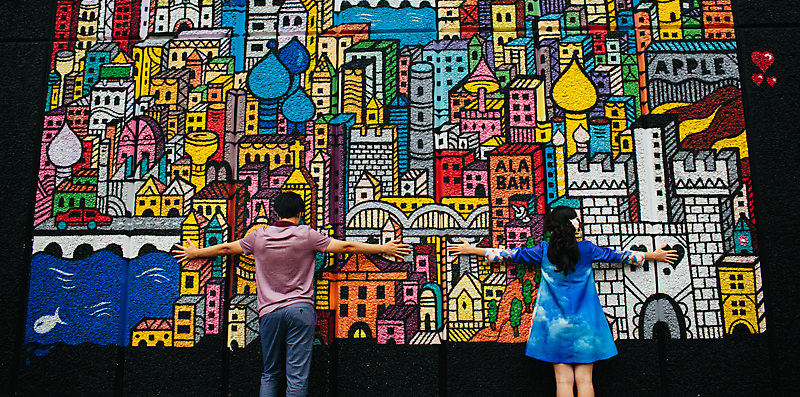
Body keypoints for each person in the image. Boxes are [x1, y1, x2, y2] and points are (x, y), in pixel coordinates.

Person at [172, 191, 409, 397]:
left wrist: (196, 252)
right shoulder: (307, 235)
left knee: (270, 373)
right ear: (300, 213)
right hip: (300, 310)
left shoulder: (259, 236)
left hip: (269, 313)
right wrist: (383, 248)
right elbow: (346, 247)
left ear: (276, 213)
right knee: (297, 376)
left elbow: (226, 248)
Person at [447, 205, 678, 397]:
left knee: (563, 382)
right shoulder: (587, 250)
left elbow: (507, 255)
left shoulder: (543, 251)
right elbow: (620, 256)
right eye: (577, 218)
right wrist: (653, 255)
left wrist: (472, 249)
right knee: (586, 382)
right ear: (571, 223)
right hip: (587, 323)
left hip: (554, 325)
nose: (579, 221)